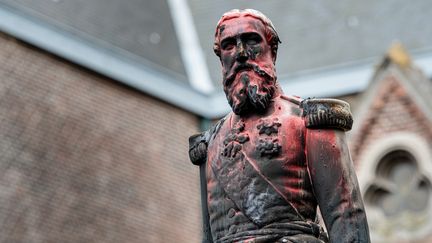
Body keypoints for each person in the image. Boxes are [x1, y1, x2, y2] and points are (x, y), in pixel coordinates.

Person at [189, 9, 370, 243]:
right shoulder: (208, 144)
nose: (241, 53)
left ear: (272, 50)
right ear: (221, 58)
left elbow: (345, 216)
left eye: (252, 40)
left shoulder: (308, 121)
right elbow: (208, 236)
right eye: (229, 45)